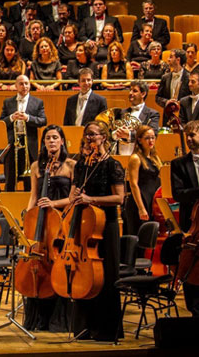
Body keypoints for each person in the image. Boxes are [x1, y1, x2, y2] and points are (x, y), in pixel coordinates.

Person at [69, 121, 125, 342]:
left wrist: (91, 199)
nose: (89, 139)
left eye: (93, 135)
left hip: (106, 227)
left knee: (106, 277)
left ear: (104, 137)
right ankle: (84, 327)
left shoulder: (113, 165)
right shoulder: (81, 166)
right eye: (86, 135)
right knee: (85, 276)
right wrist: (75, 198)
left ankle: (106, 329)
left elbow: (119, 198)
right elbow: (74, 195)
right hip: (84, 228)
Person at [23, 125, 75, 332]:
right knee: (40, 264)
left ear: (62, 141)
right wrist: (27, 217)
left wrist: (53, 204)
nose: (51, 141)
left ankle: (59, 319)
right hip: (42, 223)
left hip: (62, 221)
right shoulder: (37, 166)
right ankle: (38, 318)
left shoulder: (71, 165)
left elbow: (73, 198)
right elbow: (34, 196)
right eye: (47, 138)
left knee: (59, 265)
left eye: (55, 137)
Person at [170, 121, 199, 318]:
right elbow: (178, 194)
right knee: (191, 270)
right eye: (187, 135)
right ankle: (194, 310)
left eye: (193, 134)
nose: (189, 139)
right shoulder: (178, 164)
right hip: (193, 225)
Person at [0, 75, 47, 191]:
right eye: (21, 84)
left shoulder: (38, 102)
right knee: (10, 180)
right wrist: (11, 117)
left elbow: (43, 121)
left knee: (29, 182)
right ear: (16, 86)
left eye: (26, 83)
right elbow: (0, 122)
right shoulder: (8, 102)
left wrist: (28, 118)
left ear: (30, 85)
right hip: (12, 145)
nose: (24, 86)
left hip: (29, 145)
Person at [125, 125, 161, 236]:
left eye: (152, 137)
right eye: (147, 138)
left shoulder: (155, 158)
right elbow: (133, 184)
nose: (151, 140)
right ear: (139, 140)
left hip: (151, 201)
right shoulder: (136, 158)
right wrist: (141, 208)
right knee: (138, 238)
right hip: (139, 202)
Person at [155, 49, 190, 126]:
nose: (168, 59)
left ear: (178, 60)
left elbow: (193, 97)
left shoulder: (189, 77)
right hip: (168, 117)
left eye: (171, 57)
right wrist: (167, 102)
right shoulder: (165, 77)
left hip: (184, 117)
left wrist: (181, 103)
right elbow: (158, 97)